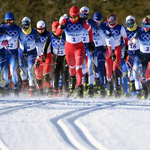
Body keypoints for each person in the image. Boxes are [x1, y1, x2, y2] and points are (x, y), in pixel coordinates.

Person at [55, 6, 94, 98]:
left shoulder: (82, 22)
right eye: (72, 17)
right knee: (72, 68)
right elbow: (57, 33)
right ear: (70, 16)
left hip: (79, 48)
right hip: (69, 48)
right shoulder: (66, 21)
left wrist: (91, 42)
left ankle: (80, 88)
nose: (74, 19)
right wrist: (61, 27)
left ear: (78, 16)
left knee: (79, 69)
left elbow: (90, 30)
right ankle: (73, 82)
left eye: (76, 17)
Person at [105, 13, 128, 97]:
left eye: (113, 23)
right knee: (108, 70)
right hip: (108, 49)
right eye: (110, 23)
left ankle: (117, 88)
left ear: (116, 21)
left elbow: (126, 39)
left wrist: (126, 51)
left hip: (117, 49)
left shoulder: (120, 28)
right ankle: (110, 87)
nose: (111, 25)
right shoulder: (105, 27)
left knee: (115, 69)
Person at [43, 21, 69, 97]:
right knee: (56, 72)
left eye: (57, 31)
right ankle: (55, 89)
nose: (56, 33)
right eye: (54, 31)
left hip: (64, 56)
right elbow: (46, 46)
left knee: (65, 72)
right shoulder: (50, 36)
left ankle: (66, 89)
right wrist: (44, 56)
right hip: (56, 56)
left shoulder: (64, 35)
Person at [129, 15, 150, 99]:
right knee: (142, 74)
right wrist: (131, 43)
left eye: (148, 26)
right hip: (143, 55)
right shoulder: (139, 32)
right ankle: (144, 91)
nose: (146, 28)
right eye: (144, 26)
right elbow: (133, 40)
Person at [1, 12, 22, 96]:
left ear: (13, 21)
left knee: (12, 70)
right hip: (5, 52)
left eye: (10, 21)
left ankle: (16, 86)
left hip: (13, 52)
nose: (9, 23)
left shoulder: (17, 29)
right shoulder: (2, 28)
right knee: (5, 72)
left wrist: (23, 50)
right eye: (7, 21)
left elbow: (23, 40)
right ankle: (6, 87)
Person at [19, 16, 37, 96]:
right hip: (22, 52)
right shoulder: (19, 31)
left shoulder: (34, 32)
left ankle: (31, 89)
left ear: (29, 25)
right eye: (23, 26)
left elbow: (40, 44)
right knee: (22, 71)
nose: (24, 28)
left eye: (26, 26)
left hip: (32, 52)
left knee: (30, 69)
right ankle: (25, 84)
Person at [79, 6, 95, 97]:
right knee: (81, 67)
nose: (84, 15)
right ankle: (83, 84)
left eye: (86, 14)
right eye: (83, 14)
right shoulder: (79, 22)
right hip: (80, 47)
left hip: (88, 47)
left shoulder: (92, 23)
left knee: (90, 67)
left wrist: (93, 43)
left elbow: (98, 32)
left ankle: (91, 87)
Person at [125, 15, 142, 96]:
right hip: (129, 53)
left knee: (135, 71)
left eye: (132, 24)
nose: (130, 27)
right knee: (129, 72)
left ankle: (139, 90)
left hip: (137, 53)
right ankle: (133, 88)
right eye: (129, 25)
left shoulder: (139, 30)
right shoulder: (125, 30)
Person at [34, 20, 52, 96]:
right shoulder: (35, 36)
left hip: (47, 56)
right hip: (38, 57)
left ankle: (50, 89)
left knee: (46, 75)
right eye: (39, 29)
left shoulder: (49, 35)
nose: (40, 31)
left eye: (42, 29)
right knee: (38, 77)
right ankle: (41, 91)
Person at [0, 27, 11, 96]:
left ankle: (2, 88)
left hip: (1, 53)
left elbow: (9, 37)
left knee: (1, 70)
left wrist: (5, 41)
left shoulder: (1, 30)